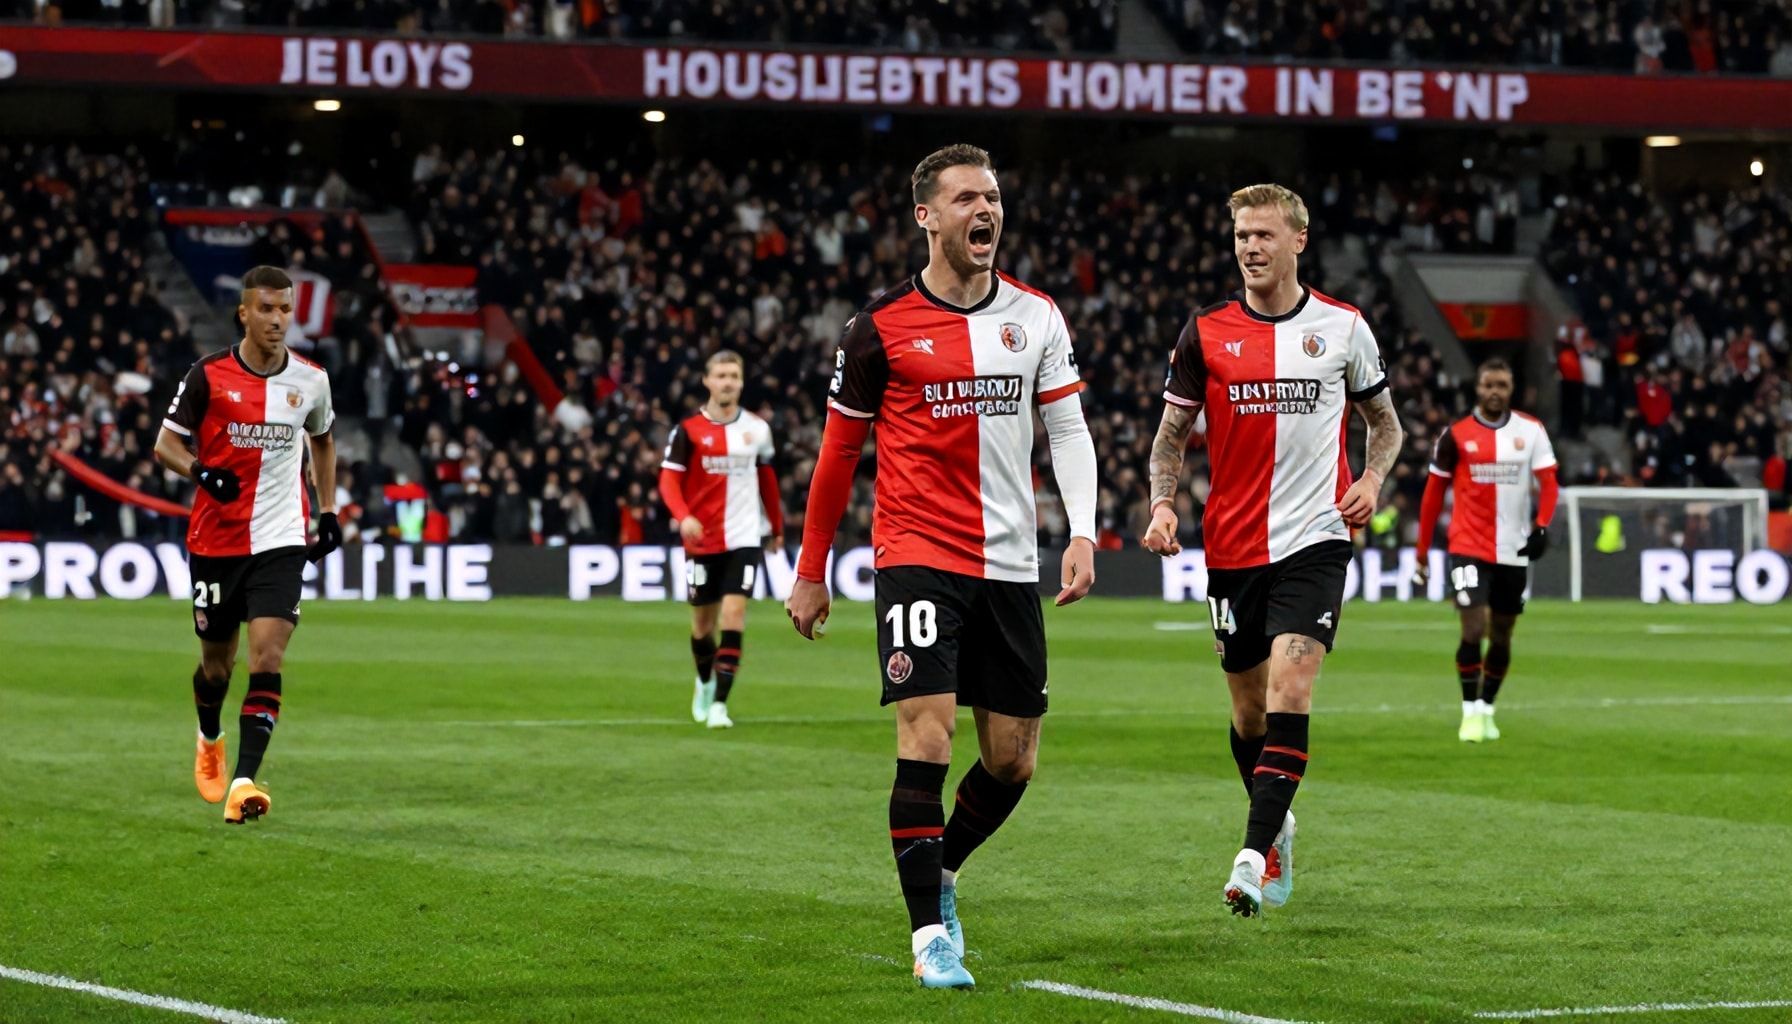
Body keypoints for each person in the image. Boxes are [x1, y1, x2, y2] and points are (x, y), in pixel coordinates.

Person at [784, 144, 1098, 989]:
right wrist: (811, 567)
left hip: (1011, 562)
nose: (984, 210)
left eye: (991, 196)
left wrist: (1082, 531)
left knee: (1013, 759)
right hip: (918, 553)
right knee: (926, 733)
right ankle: (929, 937)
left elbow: (1067, 430)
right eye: (965, 198)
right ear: (926, 216)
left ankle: (943, 869)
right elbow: (837, 456)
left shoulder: (1036, 316)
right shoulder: (878, 327)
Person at [1142, 184, 1403, 918]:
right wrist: (1162, 502)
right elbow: (1169, 438)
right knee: (1250, 714)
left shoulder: (1344, 328)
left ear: (1298, 240)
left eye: (1263, 235)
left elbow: (1386, 425)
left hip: (1316, 539)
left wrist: (1371, 480)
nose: (1250, 248)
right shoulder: (1205, 332)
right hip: (1232, 546)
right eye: (1241, 237)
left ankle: (1251, 858)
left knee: (1293, 689)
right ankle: (1277, 820)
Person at [152, 266, 341, 824]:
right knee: (217, 668)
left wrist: (329, 510)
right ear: (244, 313)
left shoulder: (311, 380)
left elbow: (323, 441)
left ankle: (244, 782)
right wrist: (201, 472)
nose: (277, 319)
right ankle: (209, 735)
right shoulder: (208, 375)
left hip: (282, 538)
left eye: (285, 309)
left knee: (268, 655)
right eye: (266, 309)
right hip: (216, 541)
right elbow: (165, 444)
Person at [1413, 358, 1559, 743]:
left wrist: (1542, 525)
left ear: (1511, 389)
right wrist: (1422, 551)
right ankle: (1469, 713)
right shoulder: (1455, 436)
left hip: (1513, 549)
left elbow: (1549, 483)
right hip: (1467, 546)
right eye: (1489, 385)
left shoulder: (1532, 430)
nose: (1495, 392)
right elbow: (1432, 495)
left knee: (1503, 634)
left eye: (1502, 385)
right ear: (1478, 388)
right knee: (1473, 627)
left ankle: (1488, 708)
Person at [658, 350, 783, 729]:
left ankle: (719, 706)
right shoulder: (687, 431)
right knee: (702, 626)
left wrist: (777, 528)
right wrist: (684, 516)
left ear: (741, 382)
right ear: (707, 381)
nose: (728, 382)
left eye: (734, 376)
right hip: (702, 539)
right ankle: (704, 680)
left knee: (734, 615)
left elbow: (767, 481)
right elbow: (668, 480)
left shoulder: (758, 429)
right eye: (721, 375)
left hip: (745, 536)